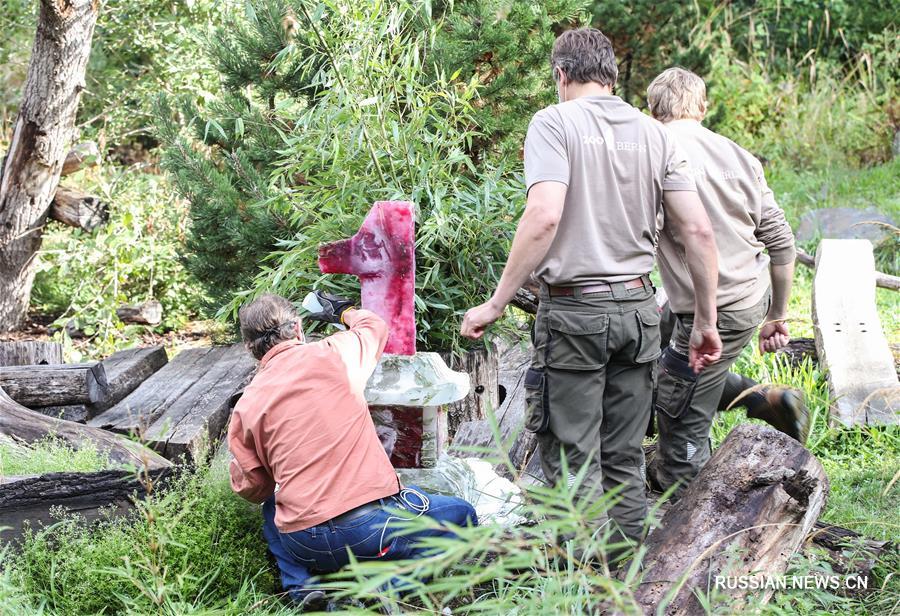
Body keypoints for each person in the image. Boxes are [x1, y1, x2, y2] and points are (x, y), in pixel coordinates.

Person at [460, 28, 722, 552]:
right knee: (623, 455)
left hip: (575, 316)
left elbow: (544, 215)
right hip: (639, 310)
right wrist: (706, 322)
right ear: (612, 74)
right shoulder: (656, 133)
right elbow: (698, 231)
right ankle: (626, 580)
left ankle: (577, 584)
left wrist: (496, 301)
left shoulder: (553, 122)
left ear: (561, 73)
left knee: (571, 457)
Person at [228, 292, 477, 610]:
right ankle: (385, 591)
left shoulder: (247, 404)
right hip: (372, 531)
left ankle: (302, 588)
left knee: (271, 506)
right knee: (462, 515)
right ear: (298, 328)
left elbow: (253, 488)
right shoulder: (335, 354)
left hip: (305, 542)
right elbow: (374, 326)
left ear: (250, 348)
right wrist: (342, 311)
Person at [647, 67, 803, 498]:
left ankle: (698, 516)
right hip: (750, 298)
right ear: (702, 107)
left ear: (652, 109)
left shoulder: (653, 155)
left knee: (678, 443)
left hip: (713, 309)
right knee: (650, 362)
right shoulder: (739, 156)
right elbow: (782, 242)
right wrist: (777, 315)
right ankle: (763, 398)